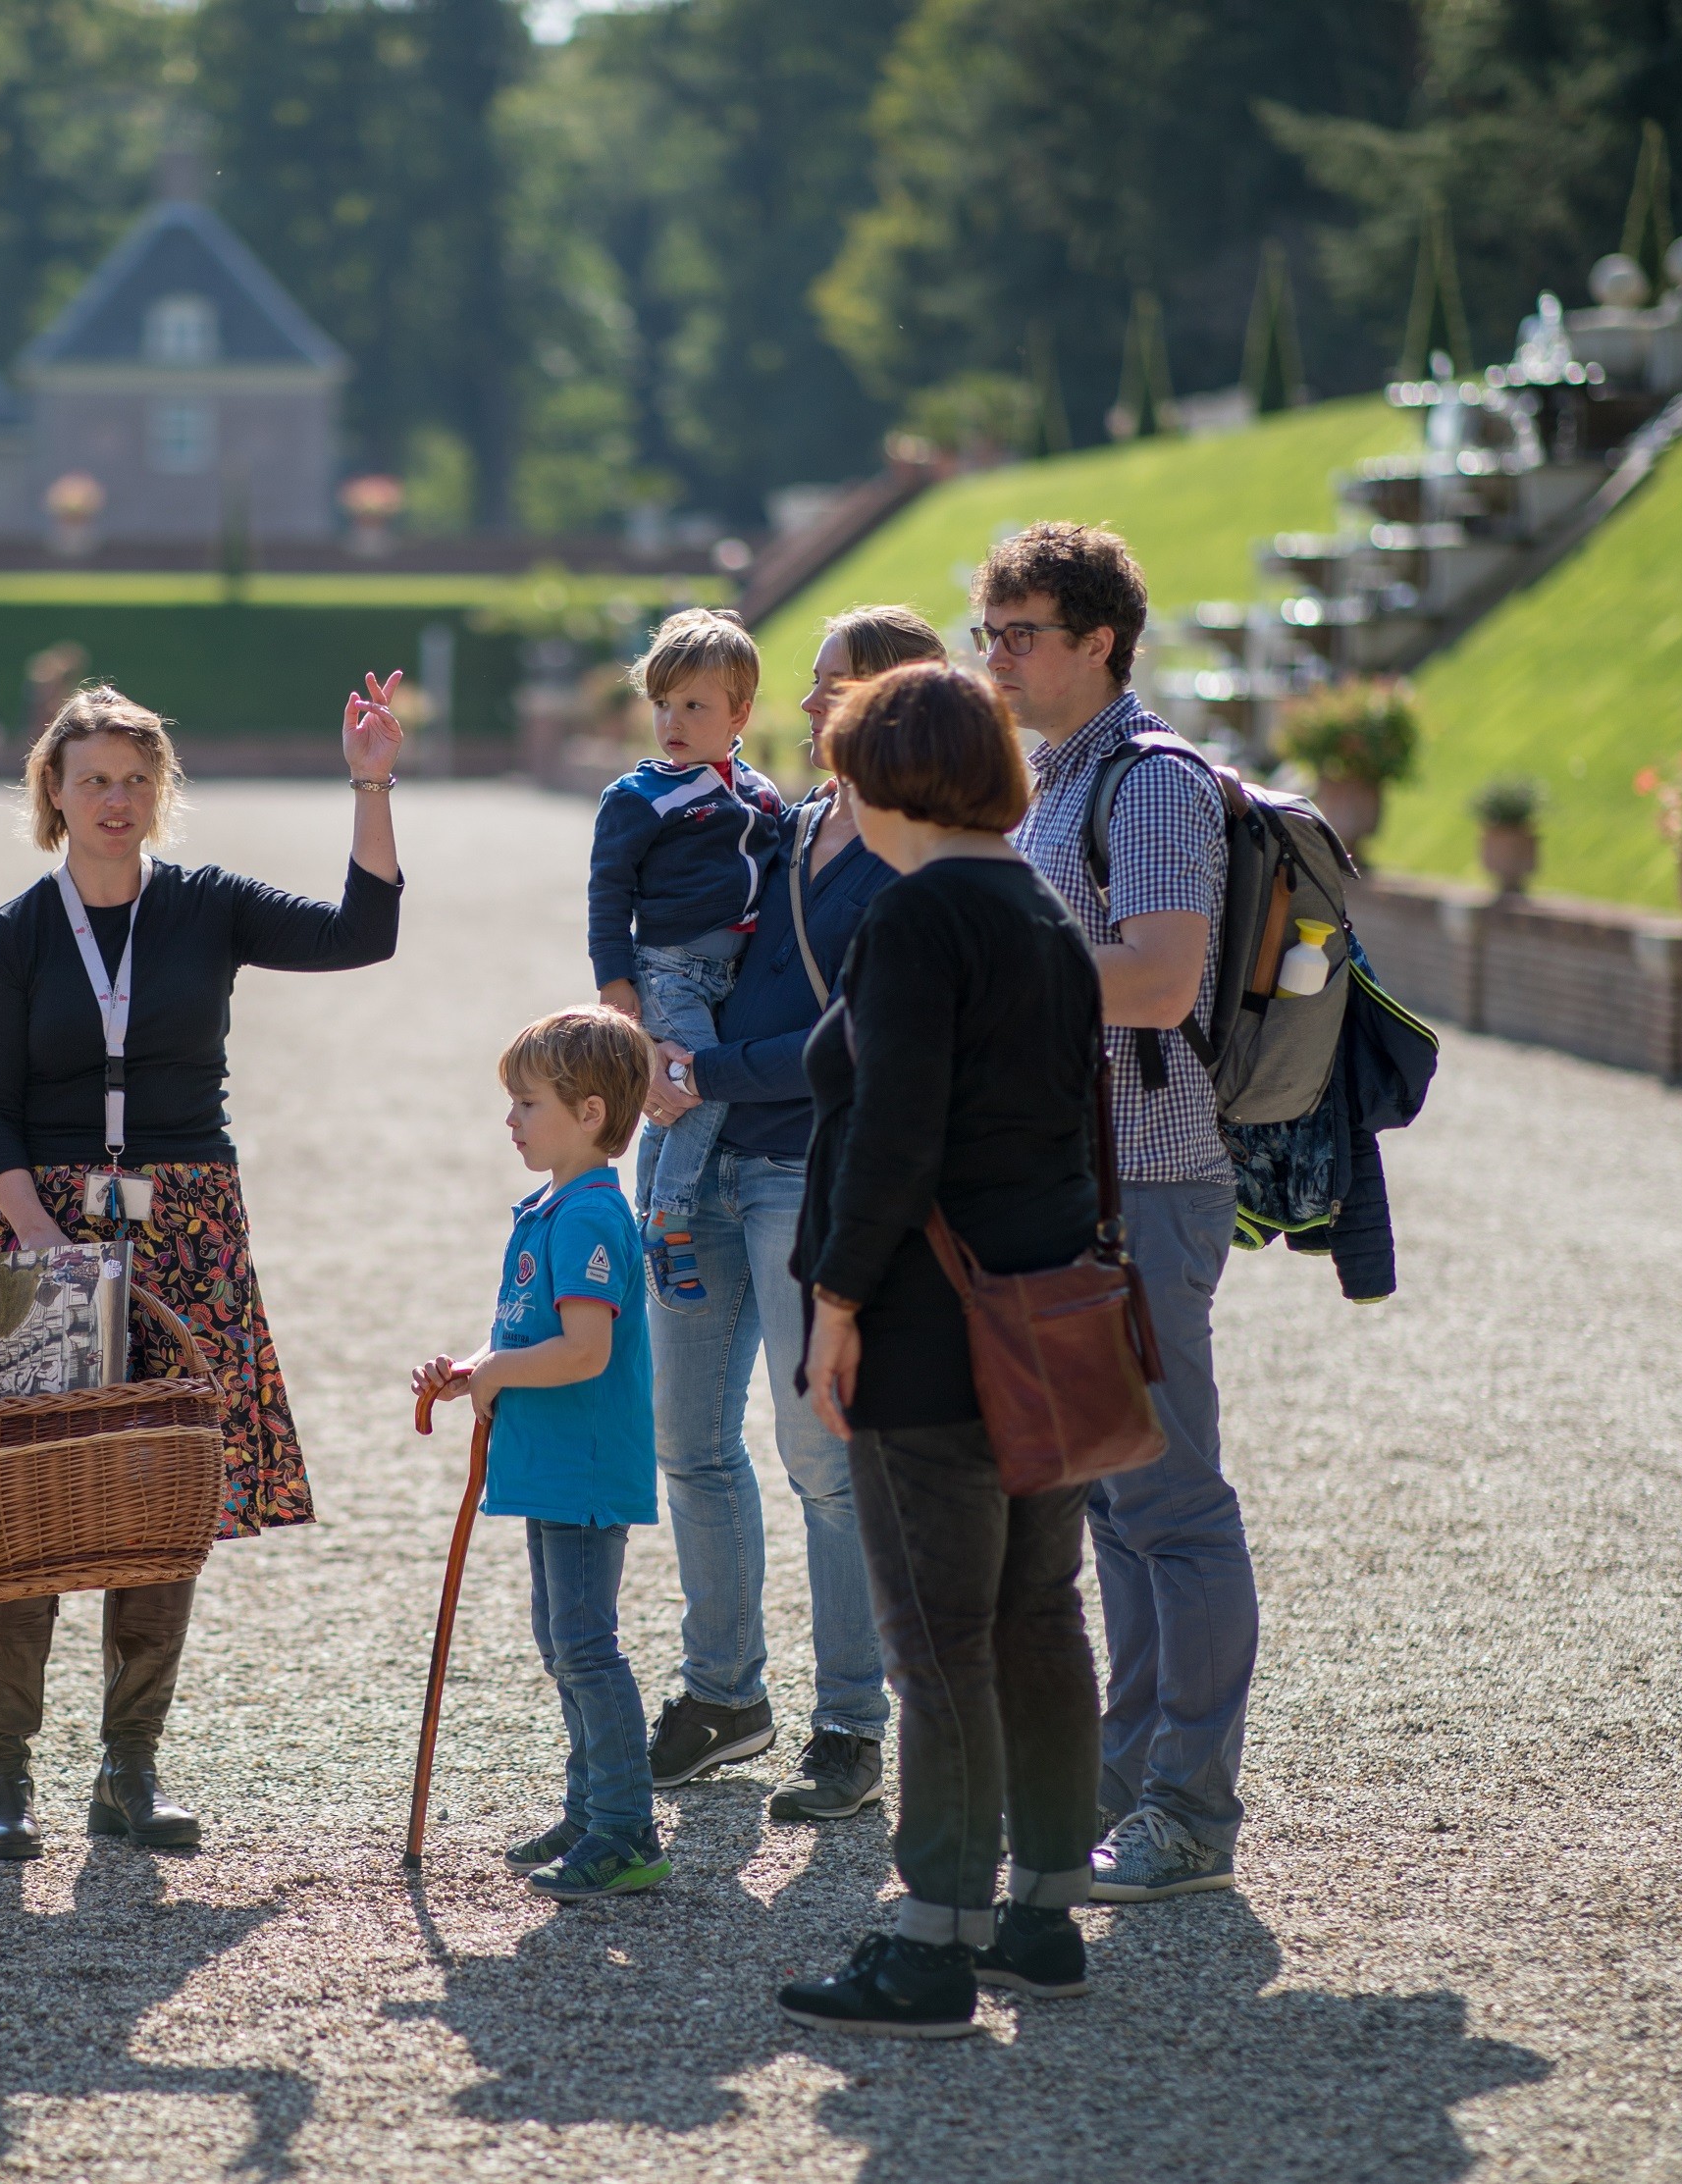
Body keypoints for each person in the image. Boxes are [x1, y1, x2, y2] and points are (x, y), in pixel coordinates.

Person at [0, 675, 406, 1857]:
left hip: (188, 1229)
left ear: (163, 792)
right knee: (21, 1504)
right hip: (42, 1223)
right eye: (94, 778)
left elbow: (365, 935)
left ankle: (129, 1769)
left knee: (160, 1505)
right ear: (52, 789)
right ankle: (6, 1775)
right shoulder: (14, 934)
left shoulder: (208, 907)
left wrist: (370, 782)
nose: (117, 798)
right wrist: (43, 1240)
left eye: (136, 778)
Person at [772, 660, 1107, 2037]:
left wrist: (835, 1308)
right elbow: (1081, 1124)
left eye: (846, 765)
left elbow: (892, 1133)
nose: (834, 789)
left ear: (890, 777)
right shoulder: (1040, 909)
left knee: (936, 1639)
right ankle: (1034, 1913)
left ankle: (927, 1939)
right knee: (1037, 1617)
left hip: (927, 1320)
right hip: (1046, 1311)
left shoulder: (913, 920)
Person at [980, 520, 1252, 1903]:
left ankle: (1190, 1807)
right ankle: (1127, 1769)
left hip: (1149, 1171)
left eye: (1022, 631)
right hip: (1084, 1178)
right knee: (1108, 1500)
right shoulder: (1050, 783)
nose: (998, 657)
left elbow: (1154, 981)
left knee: (1170, 1501)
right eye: (990, 632)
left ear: (1099, 639)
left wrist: (995, 976)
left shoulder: (1145, 788)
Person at [634, 604, 941, 1818]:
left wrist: (699, 1071)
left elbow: (848, 1042)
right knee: (689, 1448)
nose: (810, 708)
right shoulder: (788, 816)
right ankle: (725, 1696)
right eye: (812, 688)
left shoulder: (919, 853)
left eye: (836, 689)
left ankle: (851, 1725)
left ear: (902, 700)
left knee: (821, 1461)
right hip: (696, 1169)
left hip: (805, 1173)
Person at [412, 1007, 663, 1899]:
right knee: (564, 1645)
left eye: (525, 1103)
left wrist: (501, 1373)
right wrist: (472, 1370)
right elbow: (527, 1338)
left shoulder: (588, 1219)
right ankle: (593, 1806)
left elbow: (583, 1352)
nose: (509, 1120)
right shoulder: (553, 1207)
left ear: (588, 1114)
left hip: (585, 1467)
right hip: (552, 1463)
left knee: (586, 1648)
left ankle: (627, 1829)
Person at [586, 608, 785, 1308]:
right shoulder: (640, 796)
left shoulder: (762, 796)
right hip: (668, 968)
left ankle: (652, 1210)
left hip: (731, 974)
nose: (671, 720)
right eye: (661, 704)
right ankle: (666, 1219)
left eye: (693, 705)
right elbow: (607, 895)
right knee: (695, 1086)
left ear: (740, 712)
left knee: (678, 1094)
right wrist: (617, 991)